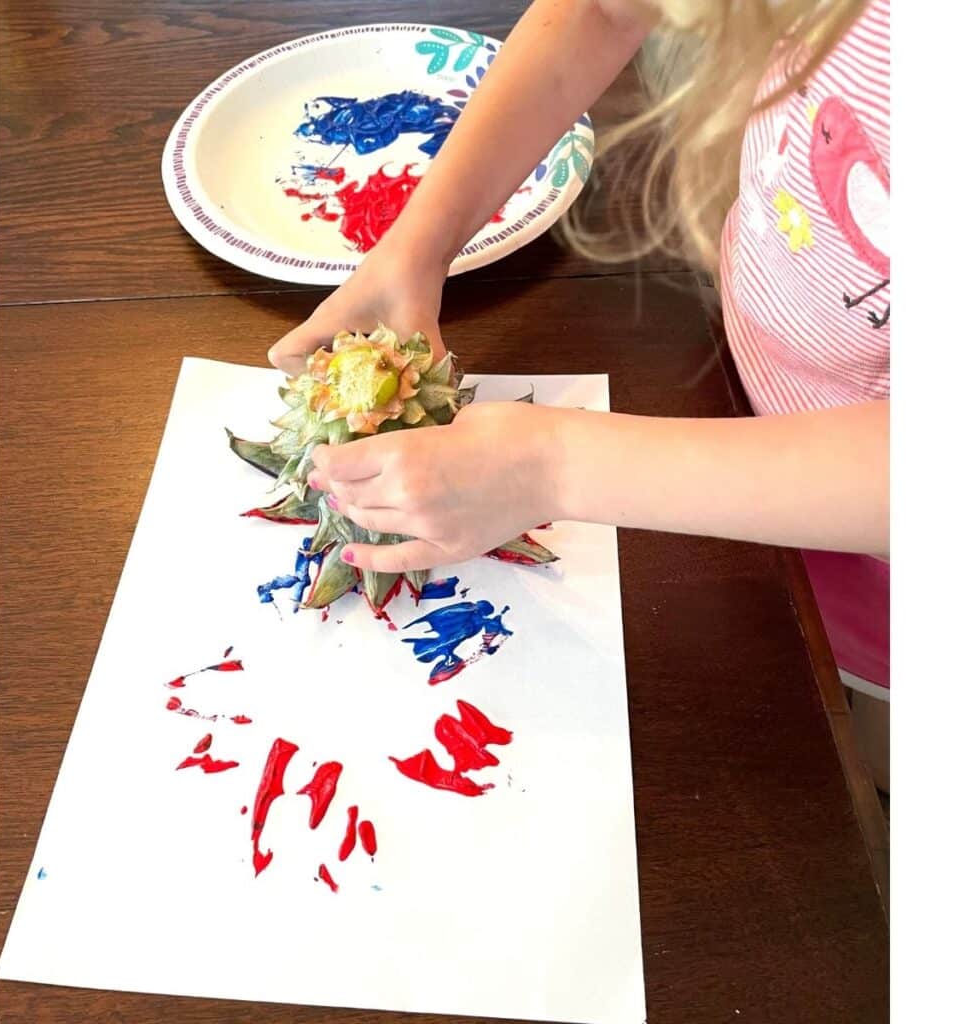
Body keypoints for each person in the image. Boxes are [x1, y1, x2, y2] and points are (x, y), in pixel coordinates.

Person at [269, 0, 890, 785]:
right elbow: (600, 12)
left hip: (887, 565)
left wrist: (553, 467)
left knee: (840, 760)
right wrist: (422, 238)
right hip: (737, 401)